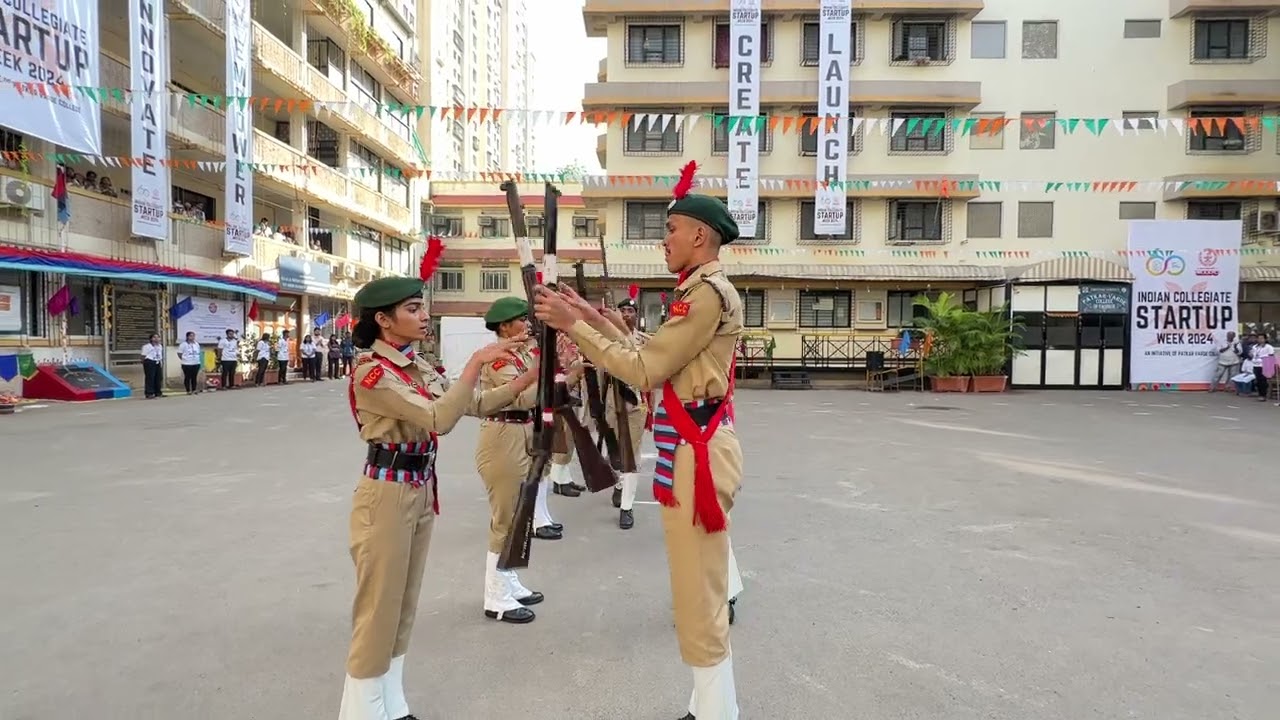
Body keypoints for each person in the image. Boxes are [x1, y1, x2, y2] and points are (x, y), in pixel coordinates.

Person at [534, 175, 744, 720]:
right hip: (693, 448)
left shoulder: (703, 293)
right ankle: (709, 705)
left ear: (700, 235)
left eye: (671, 229)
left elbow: (645, 369)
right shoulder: (697, 290)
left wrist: (573, 330)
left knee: (698, 594)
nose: (664, 239)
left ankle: (718, 712)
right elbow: (654, 349)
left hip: (696, 454)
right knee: (697, 587)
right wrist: (588, 316)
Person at [338, 276, 536, 720]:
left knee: (403, 605)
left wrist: (528, 374)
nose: (423, 315)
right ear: (384, 321)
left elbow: (478, 404)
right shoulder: (373, 371)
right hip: (386, 493)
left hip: (418, 487)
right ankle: (361, 711)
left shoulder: (416, 364)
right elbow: (438, 417)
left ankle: (392, 703)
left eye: (421, 307)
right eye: (412, 308)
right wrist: (476, 362)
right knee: (378, 609)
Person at [474, 296, 582, 623]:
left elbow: (550, 391)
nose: (528, 324)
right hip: (503, 437)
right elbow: (522, 398)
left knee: (520, 517)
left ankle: (507, 581)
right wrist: (547, 371)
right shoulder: (498, 361)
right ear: (505, 326)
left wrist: (565, 367)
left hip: (521, 434)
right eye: (522, 319)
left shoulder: (524, 354)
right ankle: (495, 597)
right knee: (505, 520)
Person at [601, 294, 652, 531]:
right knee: (612, 453)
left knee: (632, 455)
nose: (626, 315)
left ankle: (627, 507)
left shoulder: (645, 341)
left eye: (630, 312)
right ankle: (619, 482)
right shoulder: (606, 339)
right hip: (612, 402)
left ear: (636, 315)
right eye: (622, 311)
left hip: (636, 404)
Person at [1250, 332, 1275, 401]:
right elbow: (1253, 354)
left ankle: (1263, 395)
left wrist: (1270, 367)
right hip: (1256, 364)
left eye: (1262, 338)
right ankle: (1260, 393)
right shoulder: (1255, 346)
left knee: (1263, 381)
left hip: (1264, 364)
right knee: (1258, 380)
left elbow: (1271, 356)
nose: (1260, 340)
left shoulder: (1268, 347)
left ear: (1265, 339)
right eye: (1259, 338)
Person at [140, 333, 164, 399]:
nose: (156, 339)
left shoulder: (160, 346)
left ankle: (158, 392)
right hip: (150, 361)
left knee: (158, 378)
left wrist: (160, 362)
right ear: (151, 339)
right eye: (154, 337)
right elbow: (143, 356)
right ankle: (149, 393)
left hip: (157, 361)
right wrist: (144, 363)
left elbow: (160, 355)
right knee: (150, 378)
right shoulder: (147, 346)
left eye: (158, 337)